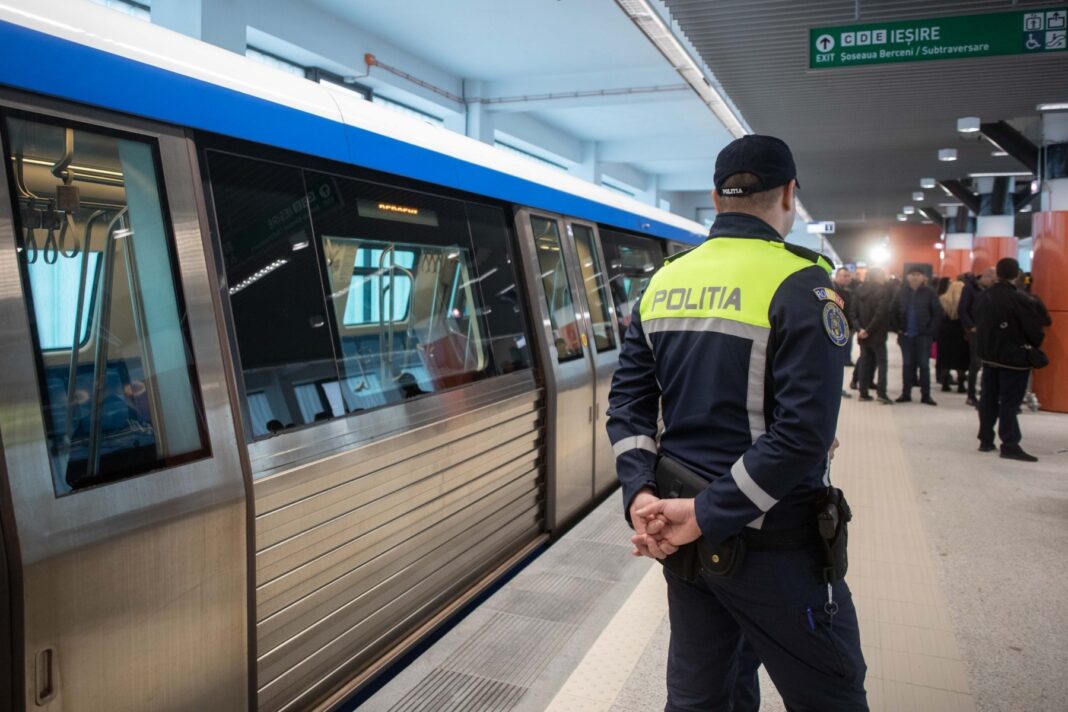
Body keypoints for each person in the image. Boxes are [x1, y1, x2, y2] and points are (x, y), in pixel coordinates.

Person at [606, 134, 867, 711]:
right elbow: (803, 436)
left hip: (683, 544)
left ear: (716, 198)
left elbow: (626, 407)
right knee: (832, 692)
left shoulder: (662, 283)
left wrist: (640, 494)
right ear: (790, 194)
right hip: (775, 546)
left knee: (704, 696)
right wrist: (705, 515)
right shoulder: (803, 286)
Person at [975, 258, 1046, 461]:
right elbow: (1034, 330)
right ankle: (1010, 443)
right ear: (1016, 275)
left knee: (988, 399)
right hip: (1013, 358)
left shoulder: (984, 296)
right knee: (1010, 401)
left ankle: (985, 439)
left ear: (997, 273)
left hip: (989, 356)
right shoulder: (1019, 299)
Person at [890, 267, 942, 405]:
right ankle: (906, 393)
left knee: (924, 365)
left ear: (923, 277)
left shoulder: (930, 293)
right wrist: (898, 329)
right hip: (906, 336)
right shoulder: (901, 293)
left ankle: (926, 395)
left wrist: (930, 331)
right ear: (907, 277)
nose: (915, 277)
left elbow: (937, 314)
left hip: (923, 336)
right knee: (907, 365)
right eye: (912, 275)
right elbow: (892, 311)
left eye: (918, 275)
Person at [850, 267, 893, 404]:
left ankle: (863, 393)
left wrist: (860, 329)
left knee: (864, 362)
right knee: (882, 363)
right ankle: (882, 393)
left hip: (862, 335)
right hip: (877, 335)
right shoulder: (882, 292)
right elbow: (880, 314)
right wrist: (868, 330)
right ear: (877, 277)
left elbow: (853, 314)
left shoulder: (858, 291)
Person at [960, 268, 995, 406]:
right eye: (992, 279)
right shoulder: (970, 288)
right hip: (975, 330)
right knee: (975, 362)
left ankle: (984, 393)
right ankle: (971, 394)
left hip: (988, 331)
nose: (993, 282)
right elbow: (962, 309)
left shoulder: (991, 290)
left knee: (988, 363)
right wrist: (970, 326)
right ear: (986, 276)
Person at [936, 280, 970, 393]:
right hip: (960, 332)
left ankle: (945, 383)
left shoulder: (942, 299)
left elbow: (938, 316)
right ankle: (961, 384)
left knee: (945, 357)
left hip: (945, 332)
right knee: (961, 359)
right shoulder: (964, 301)